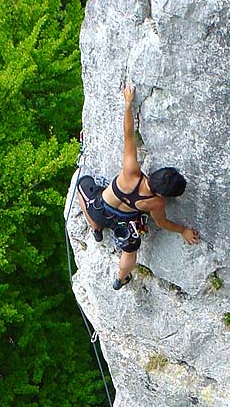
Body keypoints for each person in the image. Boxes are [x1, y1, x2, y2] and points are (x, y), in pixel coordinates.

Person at [77, 85, 199, 290]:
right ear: (164, 194)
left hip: (100, 209)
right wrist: (183, 230)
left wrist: (128, 104)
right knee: (129, 251)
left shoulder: (131, 171)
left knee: (83, 184)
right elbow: (162, 223)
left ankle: (95, 228)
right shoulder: (156, 202)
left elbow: (128, 135)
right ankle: (121, 278)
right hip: (124, 223)